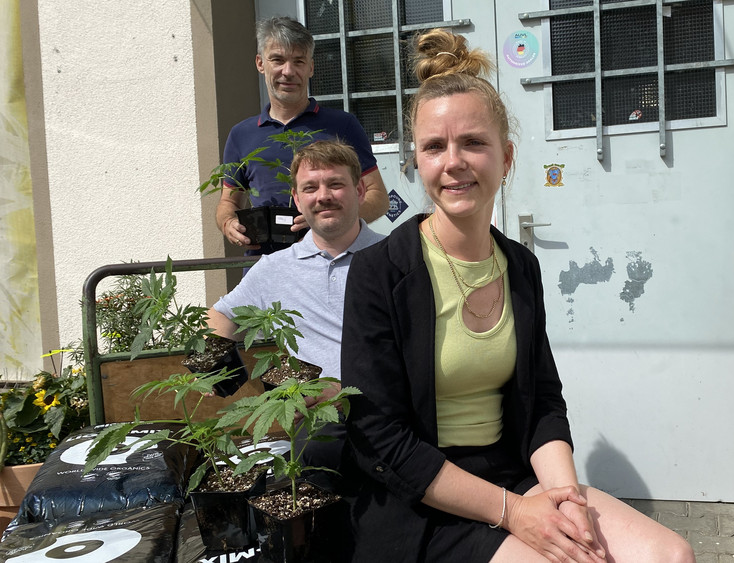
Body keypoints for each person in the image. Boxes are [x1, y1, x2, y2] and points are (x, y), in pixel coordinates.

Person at [340, 29, 695, 563]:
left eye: (474, 143)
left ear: (506, 158)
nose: (454, 162)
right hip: (425, 503)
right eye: (435, 147)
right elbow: (380, 438)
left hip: (516, 477)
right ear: (416, 162)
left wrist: (565, 499)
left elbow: (544, 402)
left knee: (669, 555)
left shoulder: (521, 267)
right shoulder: (379, 273)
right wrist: (513, 513)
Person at [207, 140, 383, 466]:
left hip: (388, 408)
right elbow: (221, 315)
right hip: (322, 420)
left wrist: (344, 389)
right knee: (317, 451)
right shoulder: (276, 269)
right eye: (310, 188)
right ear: (297, 200)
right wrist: (214, 370)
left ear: (359, 190)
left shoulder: (395, 257)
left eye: (335, 184)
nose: (323, 196)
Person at [217, 16, 389, 255]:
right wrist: (228, 223)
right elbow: (229, 202)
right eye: (277, 60)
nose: (288, 72)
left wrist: (329, 219)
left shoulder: (342, 126)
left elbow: (378, 198)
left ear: (311, 67)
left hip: (331, 261)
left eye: (298, 61)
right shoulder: (241, 135)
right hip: (263, 266)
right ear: (260, 63)